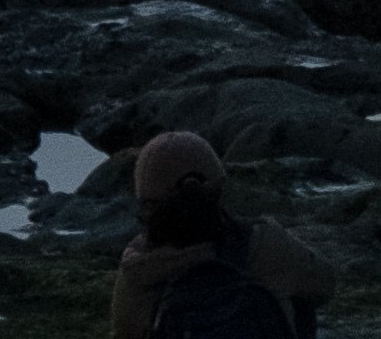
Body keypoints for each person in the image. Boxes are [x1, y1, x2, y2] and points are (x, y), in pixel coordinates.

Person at [116, 128, 339, 339]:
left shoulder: (138, 267)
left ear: (147, 202)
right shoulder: (265, 241)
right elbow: (325, 284)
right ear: (219, 188)